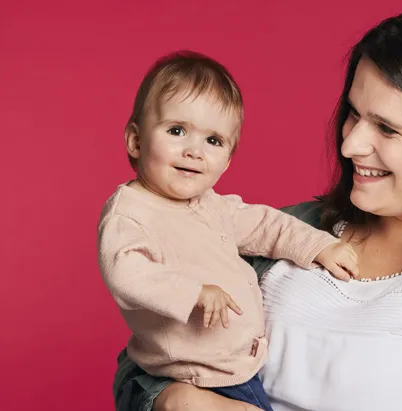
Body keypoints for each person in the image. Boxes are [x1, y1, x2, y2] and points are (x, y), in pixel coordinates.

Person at [112, 5, 402, 411]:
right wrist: (175, 400)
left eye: (386, 128)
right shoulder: (281, 231)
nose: (349, 144)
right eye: (353, 114)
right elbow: (147, 358)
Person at [98, 51, 359, 411]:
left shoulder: (214, 206)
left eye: (213, 141)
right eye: (177, 131)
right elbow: (127, 273)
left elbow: (268, 225)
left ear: (228, 160)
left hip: (237, 370)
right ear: (136, 141)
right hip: (193, 375)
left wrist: (318, 246)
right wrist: (194, 293)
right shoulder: (131, 212)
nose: (194, 151)